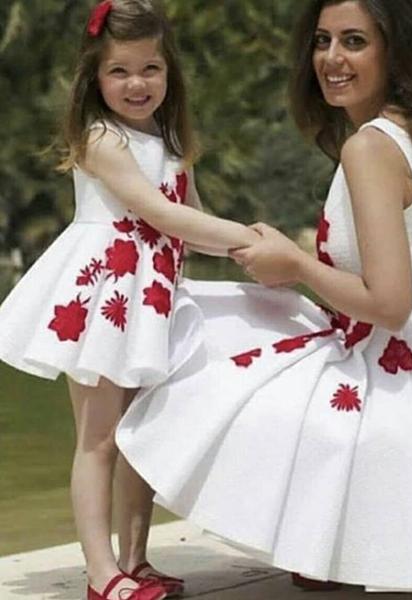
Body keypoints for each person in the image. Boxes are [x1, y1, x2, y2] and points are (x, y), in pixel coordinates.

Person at [117, 0, 412, 592]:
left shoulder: (369, 148)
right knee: (243, 336)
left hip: (396, 368)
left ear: (393, 51)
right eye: (322, 40)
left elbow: (391, 303)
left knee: (189, 361)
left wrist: (296, 263)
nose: (331, 58)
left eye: (354, 41)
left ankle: (127, 562)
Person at [0, 1, 259, 599]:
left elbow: (191, 220)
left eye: (150, 69)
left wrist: (251, 256)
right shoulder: (101, 138)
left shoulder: (169, 139)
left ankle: (136, 561)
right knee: (98, 438)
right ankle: (101, 573)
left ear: (170, 74)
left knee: (141, 433)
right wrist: (250, 237)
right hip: (104, 297)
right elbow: (161, 214)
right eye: (119, 71)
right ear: (94, 77)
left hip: (153, 300)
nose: (136, 83)